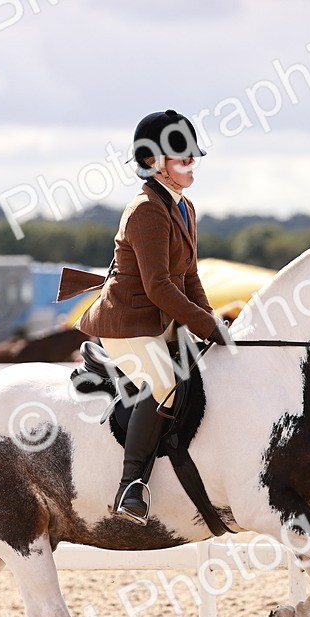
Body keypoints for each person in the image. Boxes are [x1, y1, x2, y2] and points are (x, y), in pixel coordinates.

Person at [75, 109, 227, 524]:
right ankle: (130, 487)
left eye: (193, 155)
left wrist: (213, 323)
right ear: (155, 162)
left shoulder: (184, 208)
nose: (192, 162)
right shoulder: (145, 210)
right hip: (129, 323)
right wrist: (204, 324)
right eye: (183, 157)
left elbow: (190, 276)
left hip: (163, 320)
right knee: (166, 381)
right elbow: (159, 286)